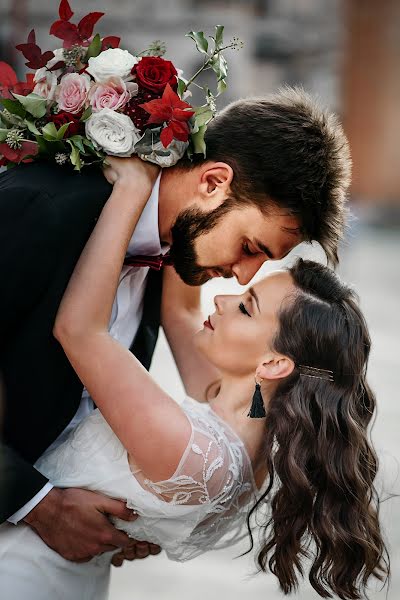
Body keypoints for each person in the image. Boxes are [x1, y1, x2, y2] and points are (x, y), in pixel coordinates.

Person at [0, 157, 387, 600]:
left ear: (274, 364)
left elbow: (80, 330)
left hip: (20, 570)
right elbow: (180, 312)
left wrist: (134, 188)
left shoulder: (191, 451)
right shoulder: (247, 440)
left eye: (246, 307)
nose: (225, 297)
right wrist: (184, 212)